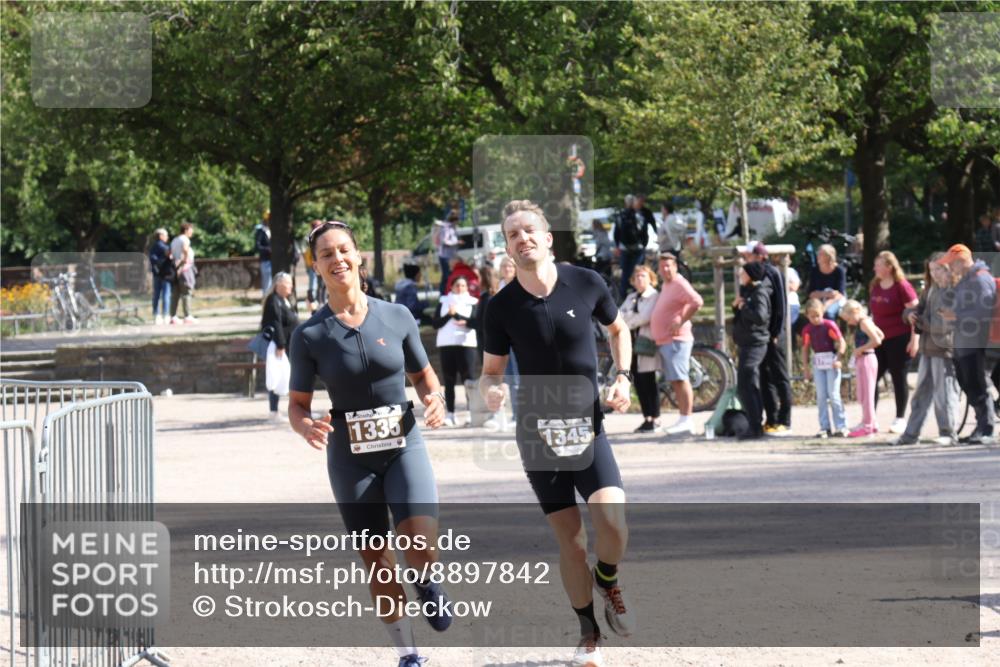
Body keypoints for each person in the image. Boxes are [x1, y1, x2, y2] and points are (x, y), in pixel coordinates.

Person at [288, 220, 452, 667]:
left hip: (404, 446)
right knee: (378, 564)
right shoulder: (309, 335)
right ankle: (408, 654)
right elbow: (298, 405)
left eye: (344, 250)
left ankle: (426, 580)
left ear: (358, 255)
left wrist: (434, 399)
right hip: (350, 459)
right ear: (316, 265)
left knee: (421, 543)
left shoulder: (396, 315)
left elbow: (423, 375)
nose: (337, 259)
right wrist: (305, 427)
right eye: (326, 254)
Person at [480, 200, 636, 667]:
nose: (521, 238)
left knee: (613, 521)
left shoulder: (586, 282)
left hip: (588, 426)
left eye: (529, 230)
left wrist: (623, 376)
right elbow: (491, 372)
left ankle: (607, 579)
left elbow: (619, 328)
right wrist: (491, 392)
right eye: (512, 235)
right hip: (538, 434)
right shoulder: (501, 307)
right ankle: (588, 635)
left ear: (547, 238)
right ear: (507, 249)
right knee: (570, 541)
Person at [894, 254, 959, 446]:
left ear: (948, 269)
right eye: (932, 270)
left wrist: (920, 321)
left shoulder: (954, 292)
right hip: (927, 349)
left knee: (944, 394)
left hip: (945, 348)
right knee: (921, 393)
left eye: (939, 269)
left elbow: (946, 324)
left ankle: (948, 433)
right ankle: (911, 434)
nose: (935, 274)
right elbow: (916, 308)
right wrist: (910, 315)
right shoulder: (930, 290)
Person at [939, 243, 996, 444]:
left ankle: (986, 429)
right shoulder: (967, 280)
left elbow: (983, 312)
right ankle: (981, 427)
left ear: (961, 260)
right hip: (965, 341)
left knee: (977, 384)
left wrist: (955, 316)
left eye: (951, 263)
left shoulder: (980, 279)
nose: (950, 268)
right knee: (969, 383)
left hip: (976, 342)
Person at [649, 251, 704, 436]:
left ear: (675, 267)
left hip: (677, 339)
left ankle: (687, 419)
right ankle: (683, 418)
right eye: (662, 266)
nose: (665, 269)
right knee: (676, 380)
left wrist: (680, 320)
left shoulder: (679, 282)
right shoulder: (667, 284)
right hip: (666, 340)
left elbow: (697, 301)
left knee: (681, 379)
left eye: (669, 266)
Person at [741, 243, 791, 434]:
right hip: (761, 335)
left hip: (774, 333)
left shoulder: (770, 273)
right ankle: (772, 419)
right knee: (764, 376)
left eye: (750, 254)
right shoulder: (754, 276)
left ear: (760, 256)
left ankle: (785, 420)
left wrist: (777, 331)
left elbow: (780, 304)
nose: (746, 257)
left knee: (779, 376)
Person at [868, 250, 920, 434]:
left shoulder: (902, 286)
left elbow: (915, 314)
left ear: (889, 267)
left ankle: (900, 418)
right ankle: (870, 418)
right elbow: (873, 314)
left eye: (879, 264)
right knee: (872, 377)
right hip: (879, 339)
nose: (875, 268)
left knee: (899, 377)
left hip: (900, 338)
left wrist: (915, 340)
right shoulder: (875, 285)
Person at [733, 262, 772, 440]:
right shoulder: (748, 291)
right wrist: (737, 307)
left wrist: (744, 307)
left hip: (755, 343)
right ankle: (754, 423)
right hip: (747, 342)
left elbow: (760, 317)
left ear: (751, 275)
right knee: (745, 384)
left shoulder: (759, 292)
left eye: (744, 272)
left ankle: (755, 425)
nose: (740, 274)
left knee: (747, 382)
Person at [620, 265, 661, 433]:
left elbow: (645, 317)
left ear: (650, 278)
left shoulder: (654, 296)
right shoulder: (631, 297)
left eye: (643, 276)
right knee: (638, 380)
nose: (639, 279)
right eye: (636, 277)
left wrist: (627, 320)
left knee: (649, 380)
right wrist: (629, 319)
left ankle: (655, 418)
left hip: (646, 342)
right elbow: (619, 315)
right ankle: (646, 418)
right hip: (630, 344)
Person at [434, 275, 478, 427]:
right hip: (446, 344)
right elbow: (435, 323)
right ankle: (450, 414)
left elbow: (475, 322)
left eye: (463, 286)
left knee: (469, 380)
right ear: (451, 287)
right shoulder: (443, 301)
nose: (460, 288)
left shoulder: (473, 302)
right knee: (449, 380)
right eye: (457, 285)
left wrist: (458, 316)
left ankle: (471, 413)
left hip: (466, 344)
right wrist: (449, 315)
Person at [801, 299, 848, 438]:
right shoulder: (807, 330)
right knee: (821, 396)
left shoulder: (829, 325)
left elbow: (842, 342)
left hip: (831, 362)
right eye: (812, 316)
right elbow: (805, 349)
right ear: (807, 316)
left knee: (833, 395)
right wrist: (806, 369)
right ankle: (824, 427)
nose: (815, 319)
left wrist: (838, 358)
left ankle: (841, 426)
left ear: (822, 313)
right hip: (818, 364)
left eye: (818, 315)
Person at [840, 300, 885, 438]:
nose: (849, 323)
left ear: (854, 312)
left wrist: (861, 348)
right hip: (863, 358)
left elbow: (877, 340)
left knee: (868, 395)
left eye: (848, 319)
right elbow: (881, 334)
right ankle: (870, 421)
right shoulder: (866, 322)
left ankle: (868, 426)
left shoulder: (864, 322)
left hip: (867, 358)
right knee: (863, 393)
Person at [260, 272, 299, 420]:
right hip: (279, 346)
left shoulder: (285, 300)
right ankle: (274, 411)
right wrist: (280, 343)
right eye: (288, 283)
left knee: (287, 376)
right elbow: (275, 323)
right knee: (276, 376)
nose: (291, 286)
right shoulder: (273, 300)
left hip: (289, 344)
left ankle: (292, 410)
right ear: (279, 284)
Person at [613, 194, 647, 301]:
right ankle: (637, 294)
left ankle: (623, 297)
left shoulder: (620, 215)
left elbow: (616, 233)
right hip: (638, 249)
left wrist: (618, 245)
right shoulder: (639, 215)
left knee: (625, 273)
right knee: (637, 272)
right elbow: (644, 232)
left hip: (624, 248)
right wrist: (643, 245)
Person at [808, 244, 848, 321]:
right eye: (818, 254)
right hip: (819, 300)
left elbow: (840, 293)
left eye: (821, 254)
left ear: (828, 256)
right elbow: (811, 293)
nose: (818, 256)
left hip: (836, 300)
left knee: (828, 313)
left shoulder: (839, 270)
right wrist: (826, 294)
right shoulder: (814, 270)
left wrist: (827, 304)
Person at [169, 222, 197, 324]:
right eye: (190, 230)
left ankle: (173, 316)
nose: (192, 232)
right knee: (186, 292)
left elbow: (170, 253)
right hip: (185, 269)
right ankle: (187, 315)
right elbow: (185, 250)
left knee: (175, 293)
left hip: (175, 269)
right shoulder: (184, 239)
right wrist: (184, 261)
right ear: (185, 230)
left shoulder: (174, 240)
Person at [148, 228, 172, 325]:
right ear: (161, 236)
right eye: (166, 235)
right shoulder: (163, 246)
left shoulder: (153, 247)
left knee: (156, 295)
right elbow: (170, 255)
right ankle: (166, 315)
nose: (167, 237)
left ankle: (156, 315)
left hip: (156, 273)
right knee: (166, 295)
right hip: (165, 274)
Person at [435, 211, 460, 295]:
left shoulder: (452, 228)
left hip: (449, 255)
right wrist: (456, 243)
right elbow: (444, 241)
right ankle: (444, 293)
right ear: (454, 220)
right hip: (445, 256)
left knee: (447, 275)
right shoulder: (446, 228)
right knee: (446, 276)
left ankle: (446, 292)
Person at [303, 219, 323, 313]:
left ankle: (321, 302)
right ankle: (312, 303)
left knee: (322, 284)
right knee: (313, 285)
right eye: (317, 226)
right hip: (311, 265)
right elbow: (305, 252)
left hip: (321, 264)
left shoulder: (322, 236)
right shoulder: (308, 237)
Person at [255, 210, 272, 296]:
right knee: (267, 284)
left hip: (274, 260)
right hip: (266, 260)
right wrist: (268, 250)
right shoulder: (260, 231)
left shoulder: (272, 230)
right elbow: (258, 246)